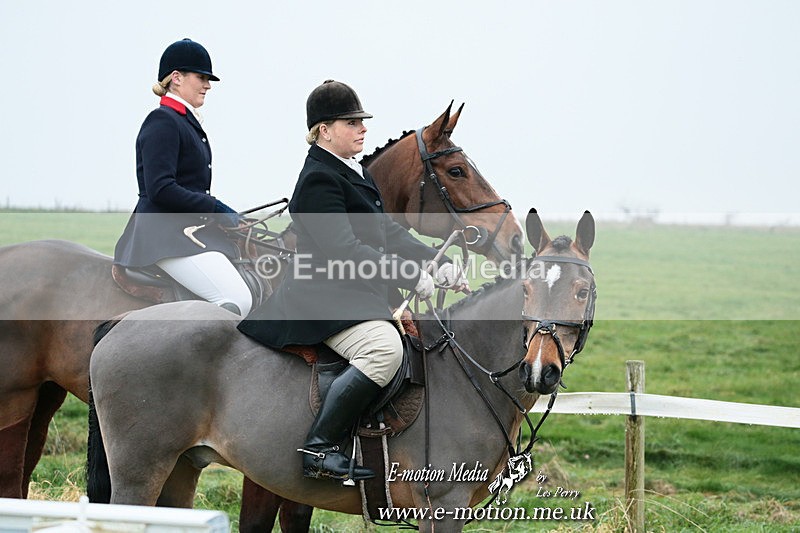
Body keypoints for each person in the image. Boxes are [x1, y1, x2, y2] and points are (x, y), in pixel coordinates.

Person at [237, 80, 467, 482]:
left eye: (362, 121)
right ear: (324, 130)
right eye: (351, 122)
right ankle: (320, 447)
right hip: (322, 297)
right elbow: (344, 252)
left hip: (354, 292)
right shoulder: (317, 180)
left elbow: (388, 234)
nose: (362, 128)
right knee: (384, 351)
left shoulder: (352, 172)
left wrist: (435, 260)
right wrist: (410, 275)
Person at [114, 38, 252, 316]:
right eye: (201, 77)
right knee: (237, 298)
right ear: (176, 78)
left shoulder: (184, 121)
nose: (208, 85)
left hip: (186, 232)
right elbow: (160, 188)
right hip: (162, 235)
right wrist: (214, 208)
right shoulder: (163, 121)